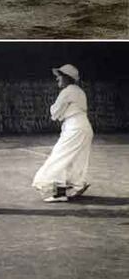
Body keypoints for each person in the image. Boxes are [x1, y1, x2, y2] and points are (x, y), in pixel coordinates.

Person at [32, 64, 94, 202]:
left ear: (67, 78)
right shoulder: (79, 91)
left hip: (74, 128)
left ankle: (60, 193)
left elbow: (54, 112)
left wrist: (57, 112)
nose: (57, 79)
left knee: (59, 156)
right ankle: (76, 185)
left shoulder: (68, 92)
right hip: (83, 127)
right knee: (74, 158)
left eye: (59, 76)